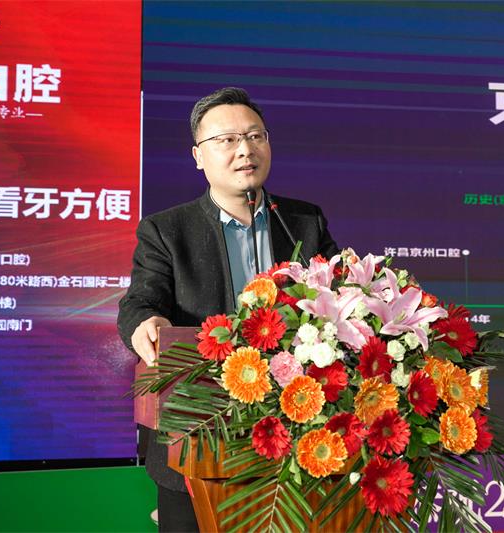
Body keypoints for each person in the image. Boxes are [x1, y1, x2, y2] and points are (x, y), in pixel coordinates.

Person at [117, 87, 339, 532]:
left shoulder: (303, 221)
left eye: (256, 136)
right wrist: (146, 323)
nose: (245, 150)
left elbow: (341, 295)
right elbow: (140, 302)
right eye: (227, 140)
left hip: (295, 437)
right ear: (198, 156)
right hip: (196, 440)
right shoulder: (167, 230)